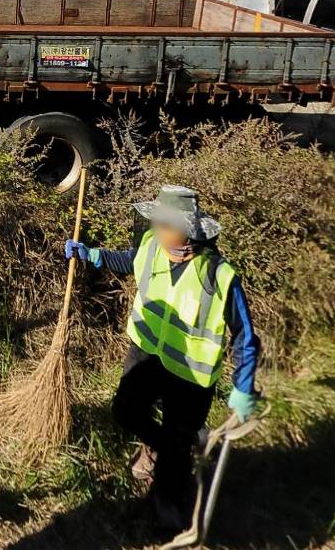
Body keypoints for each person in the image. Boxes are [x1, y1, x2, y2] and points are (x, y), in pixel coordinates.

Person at [65, 183, 261, 533]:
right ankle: (165, 449)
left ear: (186, 230)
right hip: (146, 353)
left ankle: (166, 510)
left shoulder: (218, 275)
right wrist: (92, 255)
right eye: (157, 222)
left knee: (175, 448)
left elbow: (245, 335)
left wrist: (243, 388)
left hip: (190, 377)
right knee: (125, 412)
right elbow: (129, 260)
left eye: (165, 224)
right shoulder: (152, 248)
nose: (157, 229)